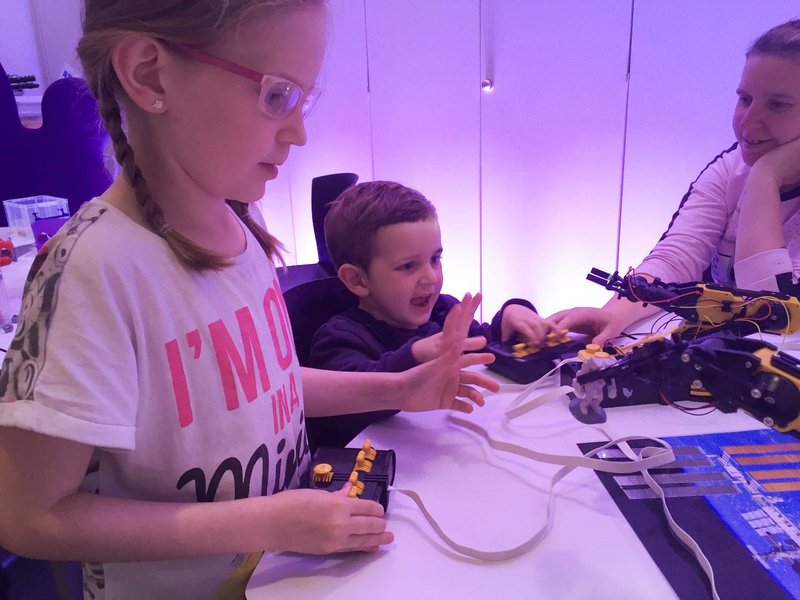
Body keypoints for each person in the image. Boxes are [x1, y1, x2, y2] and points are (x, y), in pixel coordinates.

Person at [0, 2, 500, 599]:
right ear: (150, 74)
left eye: (302, 102)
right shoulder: (93, 270)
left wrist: (398, 389)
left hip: (283, 574)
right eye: (276, 97)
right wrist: (266, 519)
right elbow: (31, 516)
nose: (298, 132)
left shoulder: (242, 231)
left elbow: (269, 387)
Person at [551, 19, 800, 345]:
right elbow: (675, 259)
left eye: (777, 104)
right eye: (745, 98)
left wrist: (765, 178)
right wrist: (614, 313)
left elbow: (776, 318)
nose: (747, 121)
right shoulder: (729, 168)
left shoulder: (756, 170)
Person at [306, 181, 558, 447]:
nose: (431, 277)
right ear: (357, 280)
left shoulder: (443, 311)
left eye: (435, 259)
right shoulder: (337, 340)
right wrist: (414, 356)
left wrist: (512, 314)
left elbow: (485, 343)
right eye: (408, 266)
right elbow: (357, 398)